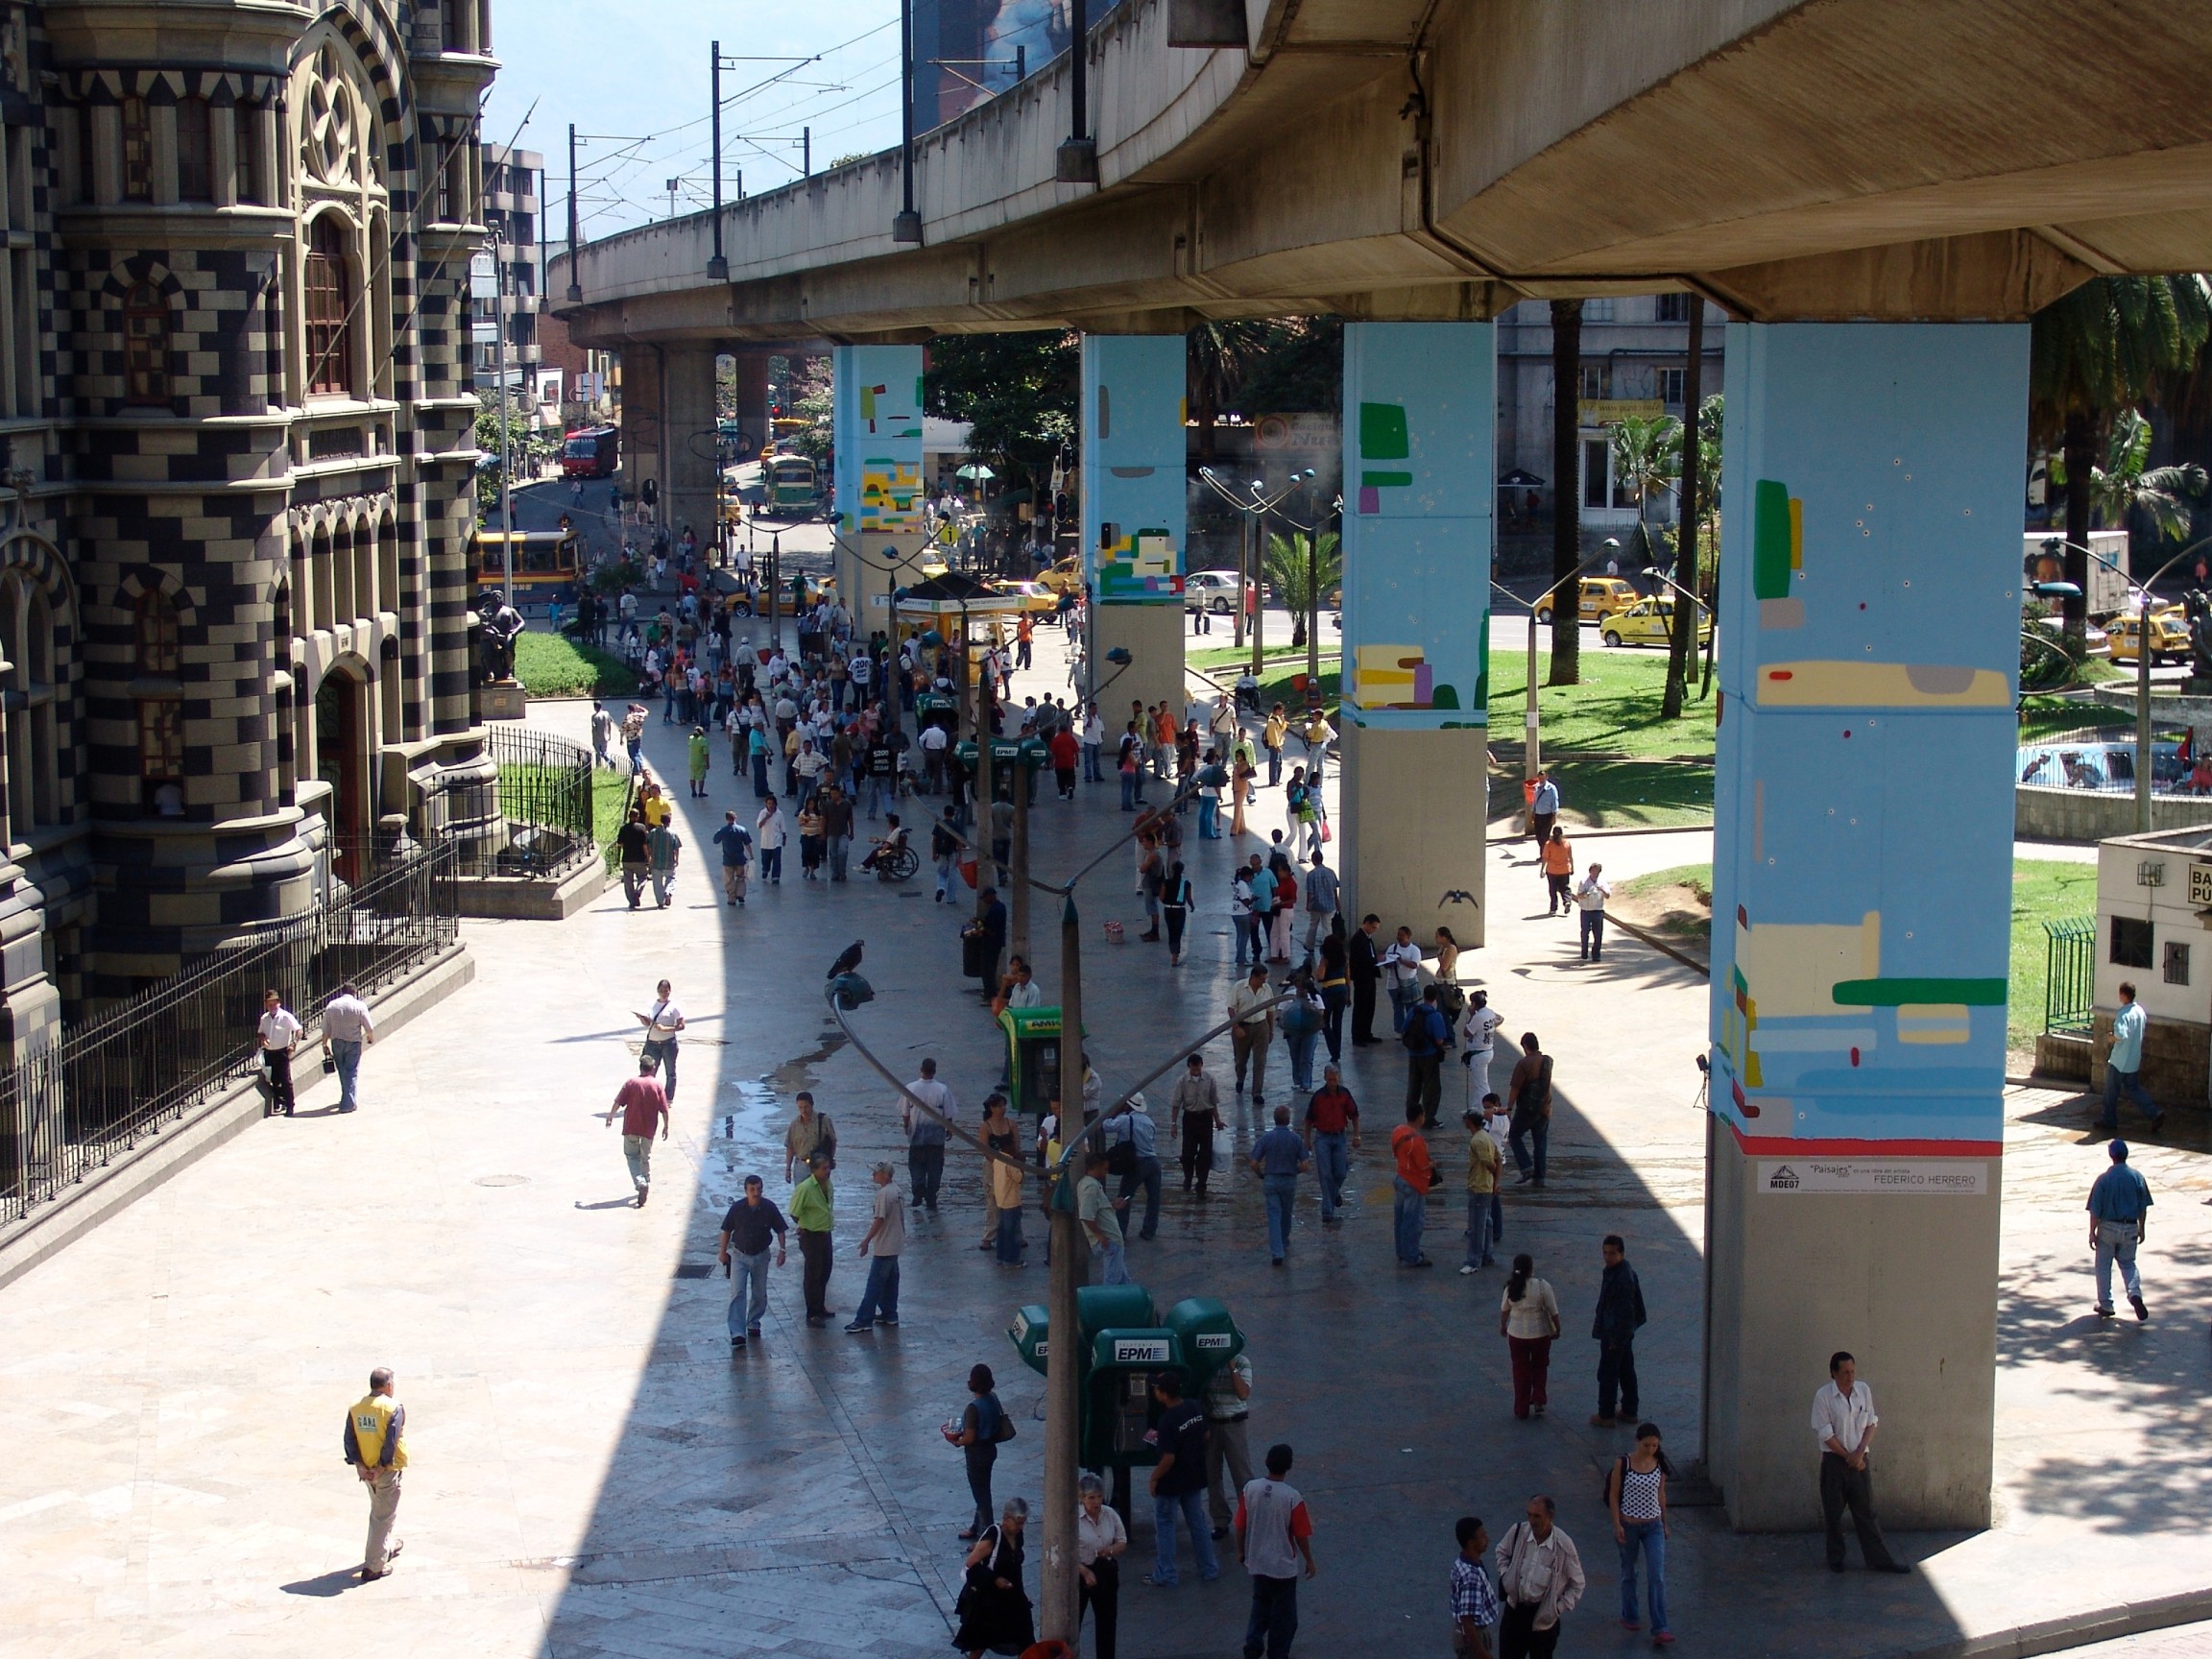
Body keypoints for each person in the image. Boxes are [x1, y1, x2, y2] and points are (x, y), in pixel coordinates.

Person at [1813, 1350, 1911, 1573]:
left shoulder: (1863, 1391)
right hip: (1835, 1461)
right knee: (1833, 1512)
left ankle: (1879, 1559)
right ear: (1834, 1373)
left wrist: (1859, 1454)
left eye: (1852, 1371)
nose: (1850, 1377)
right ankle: (1836, 1558)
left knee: (1866, 1511)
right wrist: (1848, 1457)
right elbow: (1825, 1434)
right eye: (1845, 1372)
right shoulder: (1823, 1397)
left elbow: (1871, 1423)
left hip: (1859, 1460)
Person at [1234, 1443, 1316, 1659]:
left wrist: (1240, 1551)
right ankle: (1278, 1653)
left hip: (1258, 1561)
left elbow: (1240, 1525)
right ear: (1289, 1466)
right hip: (1282, 1567)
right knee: (1286, 1618)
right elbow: (1301, 1536)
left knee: (1260, 1604)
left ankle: (1253, 1643)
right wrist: (1309, 1560)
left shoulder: (1250, 1489)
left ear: (1266, 1462)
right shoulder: (1292, 1497)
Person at [1145, 1371, 1220, 1587]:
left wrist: (1153, 1478)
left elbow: (1168, 1458)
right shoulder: (1194, 1407)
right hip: (1194, 1475)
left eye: (1157, 1389)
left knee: (1166, 1526)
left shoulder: (1167, 1420)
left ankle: (1166, 1574)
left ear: (1164, 1394)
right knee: (1197, 1523)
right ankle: (1209, 1568)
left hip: (1171, 1482)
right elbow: (1205, 1435)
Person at [1606, 1423, 1673, 1643]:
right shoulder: (1623, 1463)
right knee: (1629, 1572)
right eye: (1647, 1445)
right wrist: (1617, 1524)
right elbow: (1614, 1495)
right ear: (1638, 1442)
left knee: (1657, 1575)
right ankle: (1631, 1615)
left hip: (1653, 1525)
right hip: (1629, 1525)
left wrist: (1665, 1522)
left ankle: (1660, 1626)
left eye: (1655, 1445)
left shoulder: (1659, 1464)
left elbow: (1660, 1494)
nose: (1651, 1449)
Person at [1495, 1496, 1584, 1659]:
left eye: (1537, 1516)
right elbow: (1501, 1552)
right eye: (1529, 1515)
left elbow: (1578, 1584)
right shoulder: (1518, 1532)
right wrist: (1506, 1575)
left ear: (1550, 1517)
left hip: (1543, 1619)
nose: (1531, 1521)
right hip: (1514, 1613)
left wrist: (1557, 1608)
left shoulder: (1563, 1545)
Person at [343, 1366, 408, 1580]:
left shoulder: (356, 1407)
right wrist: (380, 1468)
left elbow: (349, 1439)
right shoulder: (393, 1407)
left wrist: (360, 1465)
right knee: (382, 1516)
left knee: (381, 1509)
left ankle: (385, 1547)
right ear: (388, 1386)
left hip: (366, 1470)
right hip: (385, 1471)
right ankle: (373, 1567)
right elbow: (391, 1441)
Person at [953, 1496, 1035, 1659]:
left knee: (1025, 1639)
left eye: (1023, 1522)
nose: (1021, 1526)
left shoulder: (1018, 1535)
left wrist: (1022, 1594)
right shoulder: (993, 1535)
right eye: (1018, 1522)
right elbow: (971, 1565)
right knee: (980, 1643)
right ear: (1006, 1518)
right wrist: (995, 1579)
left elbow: (1016, 1566)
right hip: (990, 1600)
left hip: (1013, 1597)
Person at [716, 1173, 786, 1349]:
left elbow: (780, 1229)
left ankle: (753, 1322)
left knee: (759, 1292)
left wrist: (782, 1250)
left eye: (758, 1189)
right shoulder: (737, 1208)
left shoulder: (769, 1207)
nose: (756, 1193)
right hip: (739, 1255)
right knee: (738, 1292)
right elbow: (726, 1230)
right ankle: (737, 1331)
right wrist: (722, 1252)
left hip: (761, 1256)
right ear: (746, 1191)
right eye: (752, 1189)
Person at [2088, 1138, 2153, 1320]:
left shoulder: (2103, 1179)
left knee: (2103, 1265)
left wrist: (2092, 1232)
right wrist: (2142, 1228)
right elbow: (2143, 1206)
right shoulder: (2137, 1177)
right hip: (2131, 1226)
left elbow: (2095, 1210)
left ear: (2111, 1156)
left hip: (2108, 1227)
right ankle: (2134, 1294)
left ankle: (2106, 1304)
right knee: (2128, 1263)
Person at [1590, 1234, 1648, 1427]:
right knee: (1625, 1371)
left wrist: (1616, 1338)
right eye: (1605, 1253)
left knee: (1608, 1374)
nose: (1607, 1257)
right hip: (1620, 1333)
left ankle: (1606, 1415)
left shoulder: (1621, 1278)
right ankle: (1629, 1410)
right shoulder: (1619, 1271)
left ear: (1621, 1254)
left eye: (1612, 1253)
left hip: (1615, 1334)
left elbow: (1624, 1311)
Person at [845, 1163, 907, 1332]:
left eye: (876, 1173)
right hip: (895, 1242)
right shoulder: (897, 1191)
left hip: (885, 1245)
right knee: (891, 1281)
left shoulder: (884, 1194)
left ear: (885, 1175)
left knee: (875, 1283)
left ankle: (864, 1319)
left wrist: (866, 1241)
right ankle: (889, 1313)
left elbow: (879, 1220)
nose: (873, 1175)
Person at [951, 1364, 1010, 1541]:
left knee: (981, 1496)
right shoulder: (993, 1398)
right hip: (990, 1449)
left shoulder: (973, 1407)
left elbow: (969, 1437)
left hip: (976, 1453)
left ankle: (987, 1537)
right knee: (984, 1490)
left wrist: (957, 1441)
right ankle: (976, 1526)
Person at [603, 1056, 669, 1208]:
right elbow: (664, 1109)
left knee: (632, 1156)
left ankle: (641, 1182)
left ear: (641, 1067)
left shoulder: (631, 1083)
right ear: (652, 1068)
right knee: (645, 1157)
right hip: (649, 1128)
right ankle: (645, 1180)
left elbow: (618, 1102)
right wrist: (666, 1126)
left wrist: (610, 1116)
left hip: (631, 1126)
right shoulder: (657, 1085)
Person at [2100, 980, 2166, 1133]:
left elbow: (2120, 1034)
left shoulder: (2123, 1014)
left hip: (2119, 1060)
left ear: (2123, 995)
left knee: (2110, 1092)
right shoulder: (2140, 1012)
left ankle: (2109, 1120)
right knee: (2134, 1089)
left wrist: (2111, 1037)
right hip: (2133, 1059)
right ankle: (2154, 1112)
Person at [1500, 1253, 1561, 1419]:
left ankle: (1521, 1407)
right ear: (1531, 1269)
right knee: (1540, 1366)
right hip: (1540, 1333)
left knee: (1520, 1370)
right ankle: (1539, 1398)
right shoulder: (1542, 1286)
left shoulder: (1510, 1287)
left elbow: (1505, 1310)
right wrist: (1557, 1328)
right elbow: (1553, 1310)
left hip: (1517, 1334)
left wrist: (1503, 1326)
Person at [1204, 1349, 1256, 1541]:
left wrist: (1232, 1368)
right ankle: (1220, 1520)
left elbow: (1243, 1393)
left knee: (1242, 1474)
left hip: (1234, 1423)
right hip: (1213, 1423)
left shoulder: (1242, 1362)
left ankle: (1249, 1520)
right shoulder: (1209, 1362)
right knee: (1212, 1474)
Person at [1250, 1105, 1311, 1266]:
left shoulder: (1266, 1138)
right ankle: (1283, 1241)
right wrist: (1294, 1171)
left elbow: (1254, 1162)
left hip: (1271, 1179)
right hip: (1289, 1180)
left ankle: (1277, 1252)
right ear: (1288, 1119)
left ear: (1275, 1119)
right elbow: (1305, 1165)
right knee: (1286, 1213)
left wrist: (1261, 1174)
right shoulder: (1296, 1139)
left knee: (1273, 1215)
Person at [1078, 1473, 1128, 1659]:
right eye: (1091, 1497)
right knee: (1075, 1622)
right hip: (1081, 1574)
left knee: (1107, 1622)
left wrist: (1109, 1551)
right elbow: (1067, 1552)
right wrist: (1084, 1571)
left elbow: (1122, 1541)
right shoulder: (1074, 1519)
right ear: (1082, 1498)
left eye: (1099, 1496)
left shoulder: (1110, 1514)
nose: (1096, 1502)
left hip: (1105, 1572)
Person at [1302, 1065, 1359, 1224]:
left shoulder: (1345, 1094)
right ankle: (1327, 1210)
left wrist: (1357, 1135)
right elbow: (1308, 1119)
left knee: (1340, 1172)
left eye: (1334, 1080)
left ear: (1338, 1078)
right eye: (1329, 1080)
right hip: (1322, 1138)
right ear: (1325, 1079)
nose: (1332, 1083)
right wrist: (1306, 1140)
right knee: (1325, 1174)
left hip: (1340, 1136)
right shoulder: (1319, 1097)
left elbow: (1354, 1114)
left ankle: (1334, 1194)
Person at [1106, 1097, 1163, 1241]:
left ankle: (1120, 1231)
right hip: (1153, 1161)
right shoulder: (1148, 1121)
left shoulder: (1124, 1120)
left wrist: (1114, 1112)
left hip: (1137, 1163)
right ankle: (1149, 1231)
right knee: (1154, 1198)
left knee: (1125, 1196)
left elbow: (1104, 1126)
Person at [790, 1150, 836, 1326]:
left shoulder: (828, 1184)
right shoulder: (805, 1188)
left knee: (825, 1271)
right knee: (812, 1275)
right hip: (811, 1235)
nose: (827, 1171)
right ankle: (812, 1313)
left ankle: (820, 1306)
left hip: (825, 1233)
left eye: (828, 1167)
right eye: (824, 1168)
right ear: (814, 1170)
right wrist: (805, 1225)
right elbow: (794, 1212)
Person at [902, 1058, 953, 1213]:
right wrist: (949, 1129)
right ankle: (931, 1195)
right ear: (934, 1071)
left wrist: (906, 1126)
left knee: (916, 1164)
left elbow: (905, 1113)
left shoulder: (910, 1088)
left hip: (917, 1136)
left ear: (921, 1069)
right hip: (936, 1138)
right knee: (935, 1167)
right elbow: (948, 1113)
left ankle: (918, 1189)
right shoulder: (942, 1089)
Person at [1390, 1102, 1435, 1267]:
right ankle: (1412, 1255)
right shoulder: (1417, 1140)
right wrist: (1431, 1165)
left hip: (1400, 1178)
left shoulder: (1398, 1131)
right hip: (1414, 1183)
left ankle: (1402, 1251)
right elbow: (1422, 1164)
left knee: (1400, 1219)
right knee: (1413, 1222)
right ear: (1420, 1117)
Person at [1505, 1033, 1552, 1187]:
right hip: (1544, 1108)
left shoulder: (1524, 1063)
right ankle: (1539, 1178)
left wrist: (1509, 1108)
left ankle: (1526, 1167)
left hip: (1527, 1109)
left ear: (1525, 1047)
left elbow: (1515, 1088)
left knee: (1514, 1135)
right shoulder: (1547, 1061)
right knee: (1540, 1143)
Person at [1170, 1053, 1221, 1196]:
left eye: (1198, 1069)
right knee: (1187, 1153)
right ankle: (1188, 1177)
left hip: (1205, 1118)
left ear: (1201, 1066)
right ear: (1189, 1067)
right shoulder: (1182, 1081)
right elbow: (1176, 1104)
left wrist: (1217, 1120)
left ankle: (1201, 1183)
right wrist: (1173, 1124)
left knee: (1205, 1154)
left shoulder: (1210, 1079)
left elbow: (1213, 1102)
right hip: (1190, 1118)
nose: (1196, 1072)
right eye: (1193, 1070)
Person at [1460, 1103, 1502, 1274]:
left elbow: (1490, 1163)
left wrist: (1493, 1178)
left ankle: (1473, 1261)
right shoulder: (1486, 1137)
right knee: (1486, 1223)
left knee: (1476, 1226)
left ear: (1469, 1122)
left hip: (1478, 1187)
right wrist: (1496, 1183)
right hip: (1487, 1187)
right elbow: (1499, 1159)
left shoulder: (1477, 1140)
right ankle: (1487, 1255)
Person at [1078, 1148, 1130, 1285]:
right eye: (1105, 1169)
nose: (1106, 1172)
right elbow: (1086, 1215)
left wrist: (1112, 1206)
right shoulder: (1091, 1187)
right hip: (1109, 1240)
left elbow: (1096, 1210)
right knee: (1112, 1281)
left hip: (1112, 1240)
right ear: (1097, 1167)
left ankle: (1135, 1303)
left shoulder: (1089, 1185)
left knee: (1123, 1280)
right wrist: (1099, 1235)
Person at [323, 982, 374, 1115]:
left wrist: (324, 1044)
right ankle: (348, 1103)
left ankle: (346, 1096)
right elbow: (369, 1027)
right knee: (351, 1071)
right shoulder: (359, 1006)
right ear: (354, 992)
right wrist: (370, 1038)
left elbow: (326, 1029)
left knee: (342, 1070)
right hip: (353, 1041)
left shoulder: (332, 1006)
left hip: (337, 1041)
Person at [1452, 1517, 1500, 1659]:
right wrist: (1483, 1654)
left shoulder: (1461, 1562)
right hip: (1473, 1637)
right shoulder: (1472, 1577)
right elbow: (1468, 1621)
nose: (1487, 1539)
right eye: (1483, 1536)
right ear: (1472, 1543)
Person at [1229, 964, 1276, 1106]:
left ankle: (1257, 1092)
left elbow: (1270, 1010)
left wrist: (1271, 1029)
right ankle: (1240, 1078)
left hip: (1261, 1026)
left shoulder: (1267, 989)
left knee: (1260, 1061)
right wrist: (1236, 1026)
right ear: (1253, 977)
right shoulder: (1239, 987)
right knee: (1241, 1059)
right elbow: (1231, 1008)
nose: (1264, 982)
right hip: (1243, 1025)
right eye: (1262, 979)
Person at [1405, 983, 1451, 1128]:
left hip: (1413, 1054)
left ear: (1424, 996)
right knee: (1431, 1087)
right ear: (1435, 997)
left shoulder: (1414, 1011)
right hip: (1429, 1055)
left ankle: (1411, 1116)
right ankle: (1428, 1118)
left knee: (1414, 1085)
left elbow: (1403, 1028)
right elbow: (1439, 1039)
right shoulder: (1435, 1016)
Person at [635, 979, 685, 1101]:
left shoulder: (674, 1006)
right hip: (652, 1043)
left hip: (668, 1043)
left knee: (670, 1072)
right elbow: (648, 1024)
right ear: (657, 991)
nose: (664, 993)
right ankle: (648, 1096)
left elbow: (681, 1025)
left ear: (670, 991)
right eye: (661, 991)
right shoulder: (651, 1004)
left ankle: (668, 1099)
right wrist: (641, 1018)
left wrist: (666, 1029)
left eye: (666, 991)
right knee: (648, 1071)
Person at [256, 988, 303, 1117]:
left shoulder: (285, 1016)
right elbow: (260, 1032)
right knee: (273, 1079)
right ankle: (279, 1101)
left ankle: (290, 1106)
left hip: (282, 1052)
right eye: (269, 1004)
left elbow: (299, 1030)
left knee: (285, 1079)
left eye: (274, 1003)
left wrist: (294, 1043)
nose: (272, 1006)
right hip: (269, 1052)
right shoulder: (264, 1018)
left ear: (279, 1003)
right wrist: (263, 1038)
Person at [1280, 969, 1325, 1094]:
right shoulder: (1289, 995)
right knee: (1295, 1056)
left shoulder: (1315, 996)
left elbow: (1321, 1012)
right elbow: (1281, 1012)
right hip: (1292, 1031)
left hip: (1310, 1031)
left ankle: (1306, 1083)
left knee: (1307, 1058)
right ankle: (1297, 1081)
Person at [782, 1090, 835, 1183]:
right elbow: (790, 1147)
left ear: (812, 1105)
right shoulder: (794, 1124)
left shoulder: (824, 1120)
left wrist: (829, 1162)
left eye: (806, 1107)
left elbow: (833, 1141)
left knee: (820, 1195)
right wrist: (788, 1169)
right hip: (801, 1166)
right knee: (802, 1195)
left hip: (819, 1165)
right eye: (800, 1107)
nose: (803, 1111)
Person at [990, 1130, 1026, 1266]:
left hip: (1000, 1199)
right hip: (1011, 1201)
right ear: (1009, 1146)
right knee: (1013, 1232)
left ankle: (1001, 1257)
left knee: (1002, 1230)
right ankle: (1012, 1259)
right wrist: (1021, 1164)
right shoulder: (1010, 1161)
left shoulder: (997, 1158)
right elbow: (1019, 1178)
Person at [1348, 914, 1382, 1046]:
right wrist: (1375, 960)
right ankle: (1358, 1036)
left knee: (1369, 1006)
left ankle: (1366, 1033)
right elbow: (1360, 959)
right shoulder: (1358, 939)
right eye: (1373, 927)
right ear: (1366, 923)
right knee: (1361, 1007)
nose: (1374, 930)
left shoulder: (1367, 938)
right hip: (1362, 977)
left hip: (1369, 976)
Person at [1299, 852, 1338, 965]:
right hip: (1329, 904)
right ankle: (1329, 947)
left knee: (1313, 925)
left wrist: (1308, 904)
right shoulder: (1330, 872)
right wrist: (1337, 902)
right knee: (1327, 926)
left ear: (1313, 860)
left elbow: (1310, 892)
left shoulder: (1311, 874)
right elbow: (1335, 889)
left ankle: (1309, 945)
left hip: (1315, 905)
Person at [1383, 926, 1423, 1034]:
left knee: (1411, 1008)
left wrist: (1401, 960)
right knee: (1398, 1008)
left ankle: (1411, 1029)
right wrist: (1387, 962)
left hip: (1409, 984)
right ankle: (1399, 1030)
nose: (1399, 937)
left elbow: (1414, 965)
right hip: (1393, 984)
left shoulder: (1414, 950)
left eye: (1402, 935)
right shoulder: (1392, 948)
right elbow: (1386, 965)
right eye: (1398, 934)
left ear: (1408, 936)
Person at [972, 885, 1008, 1000]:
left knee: (988, 969)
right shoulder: (1000, 907)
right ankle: (990, 992)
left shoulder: (995, 910)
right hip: (996, 943)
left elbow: (991, 930)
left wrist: (980, 927)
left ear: (991, 896)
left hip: (991, 944)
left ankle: (990, 994)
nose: (985, 901)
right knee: (990, 968)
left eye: (986, 898)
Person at [1573, 862, 1612, 962]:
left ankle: (1596, 954)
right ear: (1590, 871)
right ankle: (1584, 952)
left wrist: (1602, 890)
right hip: (1586, 911)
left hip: (1598, 911)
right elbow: (1579, 895)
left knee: (1598, 934)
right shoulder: (1584, 882)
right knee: (1585, 932)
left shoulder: (1602, 882)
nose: (1596, 873)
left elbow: (1608, 896)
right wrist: (1586, 894)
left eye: (1598, 871)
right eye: (1594, 871)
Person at [712, 809, 752, 905]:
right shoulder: (742, 830)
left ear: (726, 819)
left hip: (728, 859)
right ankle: (741, 895)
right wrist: (751, 855)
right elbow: (747, 844)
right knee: (741, 877)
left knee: (729, 879)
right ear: (735, 817)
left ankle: (731, 898)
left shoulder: (723, 830)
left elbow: (715, 840)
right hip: (740, 859)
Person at [1161, 859, 1195, 966]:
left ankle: (1173, 954)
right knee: (1178, 932)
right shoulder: (1186, 883)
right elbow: (1189, 898)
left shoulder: (1166, 882)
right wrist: (1192, 906)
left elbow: (1161, 897)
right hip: (1180, 910)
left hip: (1168, 909)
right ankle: (1176, 955)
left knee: (1171, 932)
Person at [1540, 827, 1574, 916]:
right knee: (1565, 887)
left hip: (1552, 870)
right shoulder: (1566, 843)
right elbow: (1570, 857)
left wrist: (1542, 869)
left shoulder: (1549, 844)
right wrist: (1572, 868)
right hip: (1564, 869)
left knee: (1553, 889)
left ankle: (1553, 908)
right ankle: (1567, 901)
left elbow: (1545, 858)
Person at [755, 797, 786, 883]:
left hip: (777, 841)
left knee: (777, 860)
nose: (770, 805)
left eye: (772, 803)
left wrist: (784, 838)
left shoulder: (779, 814)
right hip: (766, 841)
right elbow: (759, 825)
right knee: (765, 859)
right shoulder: (763, 813)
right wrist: (766, 818)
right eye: (769, 803)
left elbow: (782, 827)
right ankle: (765, 869)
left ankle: (776, 877)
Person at [1528, 772, 1559, 854]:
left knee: (1544, 836)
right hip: (1538, 815)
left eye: (1543, 778)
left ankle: (1544, 854)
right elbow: (1534, 801)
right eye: (1540, 778)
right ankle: (1544, 852)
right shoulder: (1536, 788)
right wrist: (1532, 814)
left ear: (1546, 777)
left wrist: (1554, 816)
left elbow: (1555, 802)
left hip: (1547, 816)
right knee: (1538, 836)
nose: (1541, 780)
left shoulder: (1551, 788)